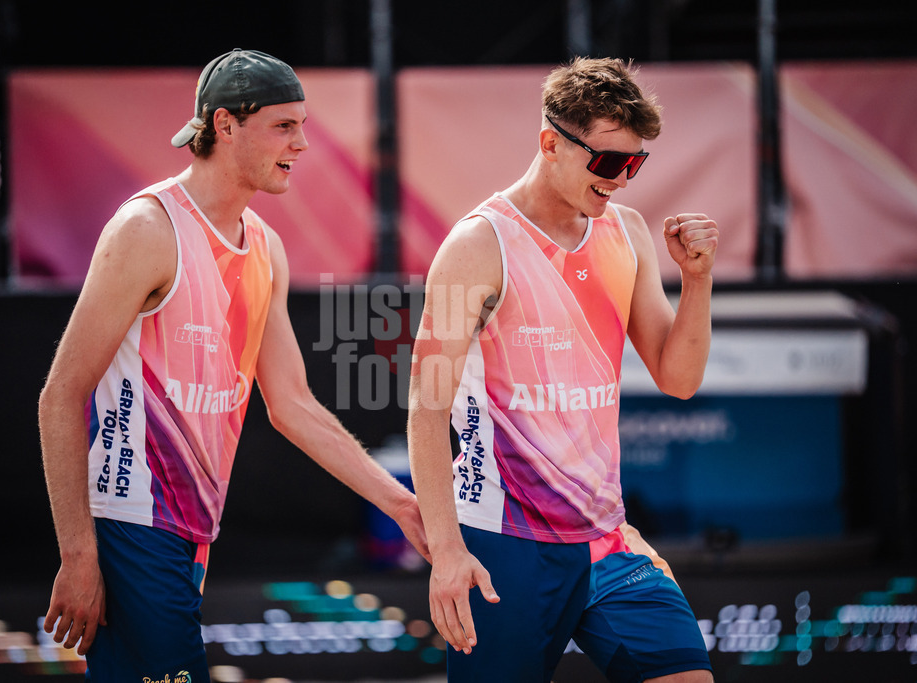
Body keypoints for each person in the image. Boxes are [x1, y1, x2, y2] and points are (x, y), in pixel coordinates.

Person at [38, 48, 429, 682]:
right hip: (132, 526)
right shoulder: (148, 229)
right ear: (224, 125)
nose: (303, 144)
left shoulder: (264, 245)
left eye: (303, 125)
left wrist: (403, 505)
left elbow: (294, 406)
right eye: (284, 126)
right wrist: (79, 554)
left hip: (190, 534)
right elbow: (61, 394)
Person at [407, 56, 718, 682]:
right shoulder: (477, 245)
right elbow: (426, 405)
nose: (621, 180)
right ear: (551, 142)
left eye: (635, 164)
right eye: (608, 162)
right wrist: (446, 552)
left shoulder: (625, 232)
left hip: (608, 542)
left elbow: (678, 379)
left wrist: (698, 279)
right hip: (505, 544)